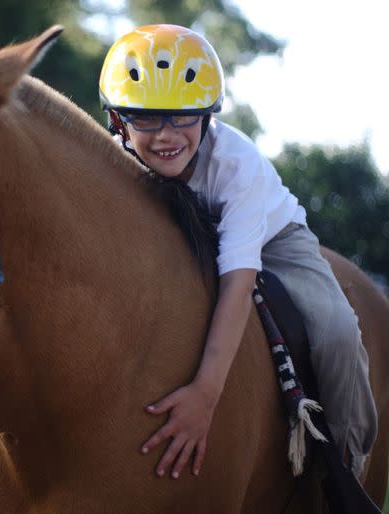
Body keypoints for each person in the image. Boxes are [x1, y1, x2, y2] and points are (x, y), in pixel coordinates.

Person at [98, 24, 377, 480]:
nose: (167, 135)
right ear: (117, 122)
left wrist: (206, 397)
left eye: (184, 115)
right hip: (184, 233)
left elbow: (238, 283)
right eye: (146, 116)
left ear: (208, 117)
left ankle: (348, 465)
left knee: (338, 328)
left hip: (273, 239)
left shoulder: (236, 166)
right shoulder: (113, 165)